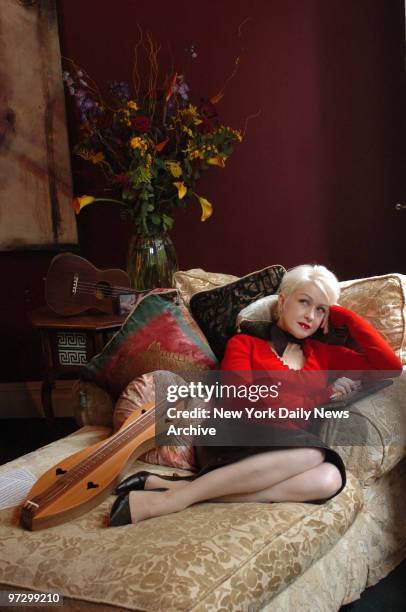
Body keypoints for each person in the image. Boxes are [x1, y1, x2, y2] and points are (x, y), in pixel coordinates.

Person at [109, 264, 402, 526]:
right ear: (283, 301)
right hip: (238, 434)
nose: (310, 315)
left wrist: (344, 315)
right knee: (313, 453)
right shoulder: (245, 343)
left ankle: (181, 487)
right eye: (304, 302)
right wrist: (320, 395)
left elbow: (388, 366)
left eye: (321, 310)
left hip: (289, 448)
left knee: (330, 477)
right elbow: (242, 398)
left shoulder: (324, 356)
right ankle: (171, 501)